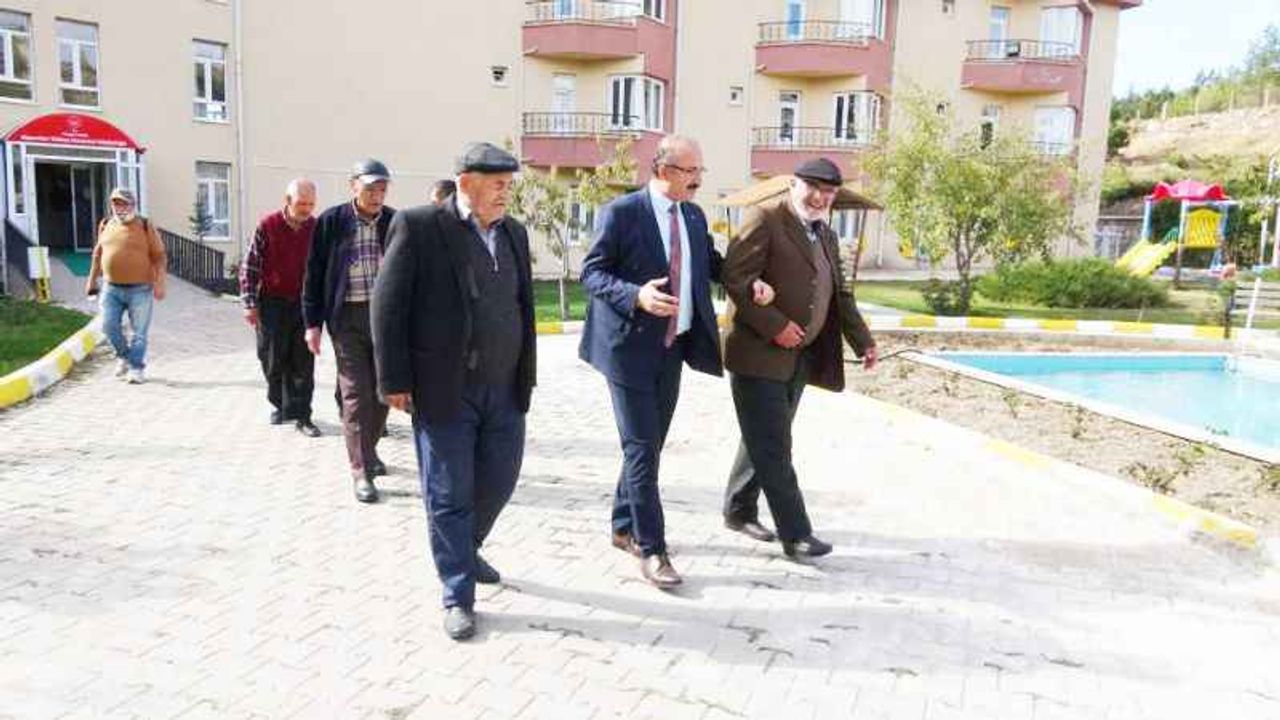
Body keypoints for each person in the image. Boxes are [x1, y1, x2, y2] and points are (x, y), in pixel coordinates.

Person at [579, 135, 772, 589]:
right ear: (663, 170)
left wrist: (749, 283)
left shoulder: (692, 215)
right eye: (691, 171)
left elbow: (709, 263)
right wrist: (636, 296)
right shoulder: (622, 212)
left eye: (700, 171)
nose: (698, 180)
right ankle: (652, 548)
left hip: (672, 347)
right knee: (642, 448)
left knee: (648, 444)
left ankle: (622, 525)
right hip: (627, 349)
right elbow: (592, 272)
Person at [373, 143, 535, 641]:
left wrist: (526, 370)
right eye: (497, 184)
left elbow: (523, 305)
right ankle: (457, 592)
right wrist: (393, 379)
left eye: (508, 184)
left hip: (504, 384)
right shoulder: (420, 226)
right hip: (445, 387)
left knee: (500, 478)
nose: (506, 193)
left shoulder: (513, 232)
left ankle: (465, 547)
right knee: (448, 492)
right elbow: (387, 304)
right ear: (466, 182)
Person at [720, 158, 878, 559]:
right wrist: (775, 325)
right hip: (758, 354)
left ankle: (738, 509)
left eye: (829, 192)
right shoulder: (765, 218)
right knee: (774, 444)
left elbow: (840, 294)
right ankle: (796, 533)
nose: (820, 198)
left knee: (763, 436)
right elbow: (736, 278)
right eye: (814, 188)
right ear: (793, 184)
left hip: (799, 358)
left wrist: (863, 341)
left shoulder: (825, 234)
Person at [302, 159, 396, 502]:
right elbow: (313, 274)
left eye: (382, 189)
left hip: (385, 320)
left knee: (384, 391)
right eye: (370, 188)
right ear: (353, 186)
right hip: (346, 319)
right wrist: (312, 324)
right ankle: (361, 471)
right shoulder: (332, 221)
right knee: (356, 394)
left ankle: (367, 450)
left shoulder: (395, 222)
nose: (377, 196)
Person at [241, 179, 322, 436]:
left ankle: (303, 415)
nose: (306, 209)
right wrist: (249, 303)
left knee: (303, 362)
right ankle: (280, 404)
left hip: (304, 303)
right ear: (287, 201)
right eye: (301, 203)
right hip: (272, 302)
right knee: (271, 358)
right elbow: (250, 266)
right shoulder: (268, 225)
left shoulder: (316, 228)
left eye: (311, 204)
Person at [85, 188, 167, 384]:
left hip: (141, 289)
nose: (119, 208)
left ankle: (136, 369)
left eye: (123, 204)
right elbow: (98, 254)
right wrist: (91, 281)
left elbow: (159, 256)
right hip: (111, 288)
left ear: (133, 205)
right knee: (108, 326)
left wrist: (160, 283)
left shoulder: (145, 225)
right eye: (115, 203)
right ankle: (124, 356)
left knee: (139, 333)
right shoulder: (106, 224)